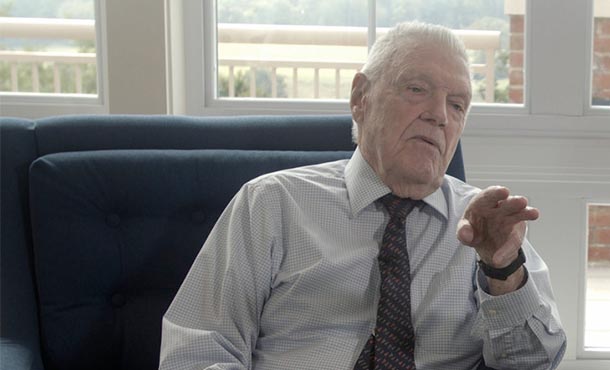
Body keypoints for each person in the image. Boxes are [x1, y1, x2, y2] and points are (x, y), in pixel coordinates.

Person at [159, 21, 566, 370]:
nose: (439, 114)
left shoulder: (484, 225)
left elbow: (533, 362)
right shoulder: (271, 204)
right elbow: (197, 350)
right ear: (360, 99)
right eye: (417, 88)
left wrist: (503, 270)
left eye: (457, 104)